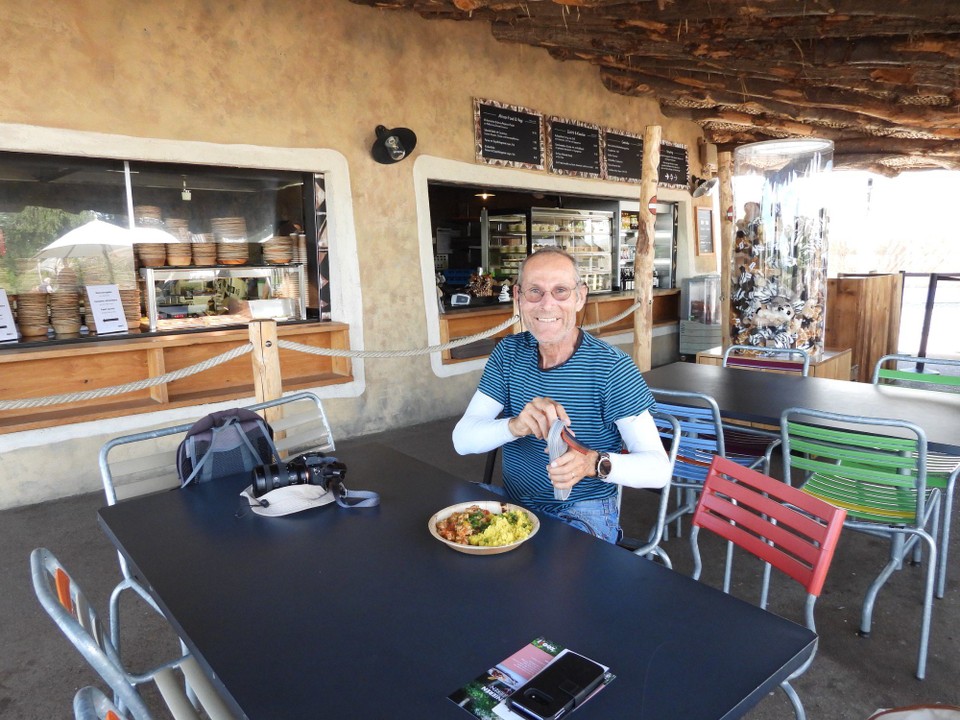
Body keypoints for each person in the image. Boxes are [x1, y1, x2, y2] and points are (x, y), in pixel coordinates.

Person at [452, 247, 671, 543]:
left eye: (561, 291)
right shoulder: (508, 353)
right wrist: (514, 426)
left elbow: (658, 470)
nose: (547, 304)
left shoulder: (612, 368)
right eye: (534, 292)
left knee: (538, 578)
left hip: (582, 510)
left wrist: (591, 463)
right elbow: (462, 440)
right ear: (518, 297)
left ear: (580, 296)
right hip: (516, 504)